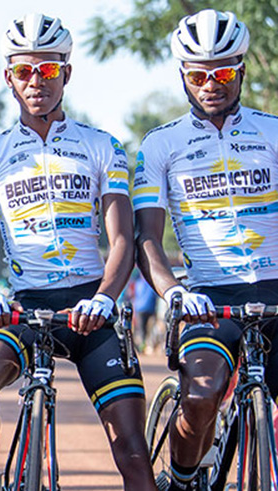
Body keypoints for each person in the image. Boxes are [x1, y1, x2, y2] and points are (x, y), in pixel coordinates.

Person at [0, 14, 155, 490]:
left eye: (48, 70)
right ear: (9, 78)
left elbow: (122, 238)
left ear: (66, 72)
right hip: (24, 307)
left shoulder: (102, 145)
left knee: (133, 453)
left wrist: (106, 297)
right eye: (25, 71)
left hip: (91, 306)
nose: (37, 81)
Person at [132, 9, 278, 490]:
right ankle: (181, 477)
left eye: (221, 73)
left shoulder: (273, 133)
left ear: (241, 71)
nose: (210, 83)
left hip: (275, 288)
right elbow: (147, 237)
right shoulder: (160, 145)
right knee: (201, 393)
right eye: (198, 74)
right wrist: (172, 290)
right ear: (183, 76)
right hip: (209, 298)